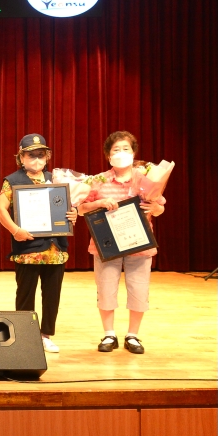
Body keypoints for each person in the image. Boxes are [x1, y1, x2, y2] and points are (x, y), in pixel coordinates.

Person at [78, 131, 166, 354]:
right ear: (108, 155)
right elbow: (80, 210)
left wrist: (156, 208)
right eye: (116, 150)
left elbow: (160, 206)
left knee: (139, 290)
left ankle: (133, 335)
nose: (121, 153)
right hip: (106, 245)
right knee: (106, 289)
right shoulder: (97, 181)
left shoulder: (147, 179)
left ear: (134, 152)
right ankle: (109, 334)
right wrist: (99, 201)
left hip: (139, 245)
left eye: (125, 148)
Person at [0, 134, 78, 353]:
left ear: (47, 156)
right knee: (25, 294)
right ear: (21, 157)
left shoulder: (58, 179)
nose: (36, 159)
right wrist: (15, 230)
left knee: (52, 295)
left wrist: (73, 214)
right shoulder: (12, 180)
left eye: (40, 154)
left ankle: (45, 335)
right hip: (27, 250)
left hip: (55, 249)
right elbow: (0, 208)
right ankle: (24, 335)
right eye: (31, 155)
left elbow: (70, 207)